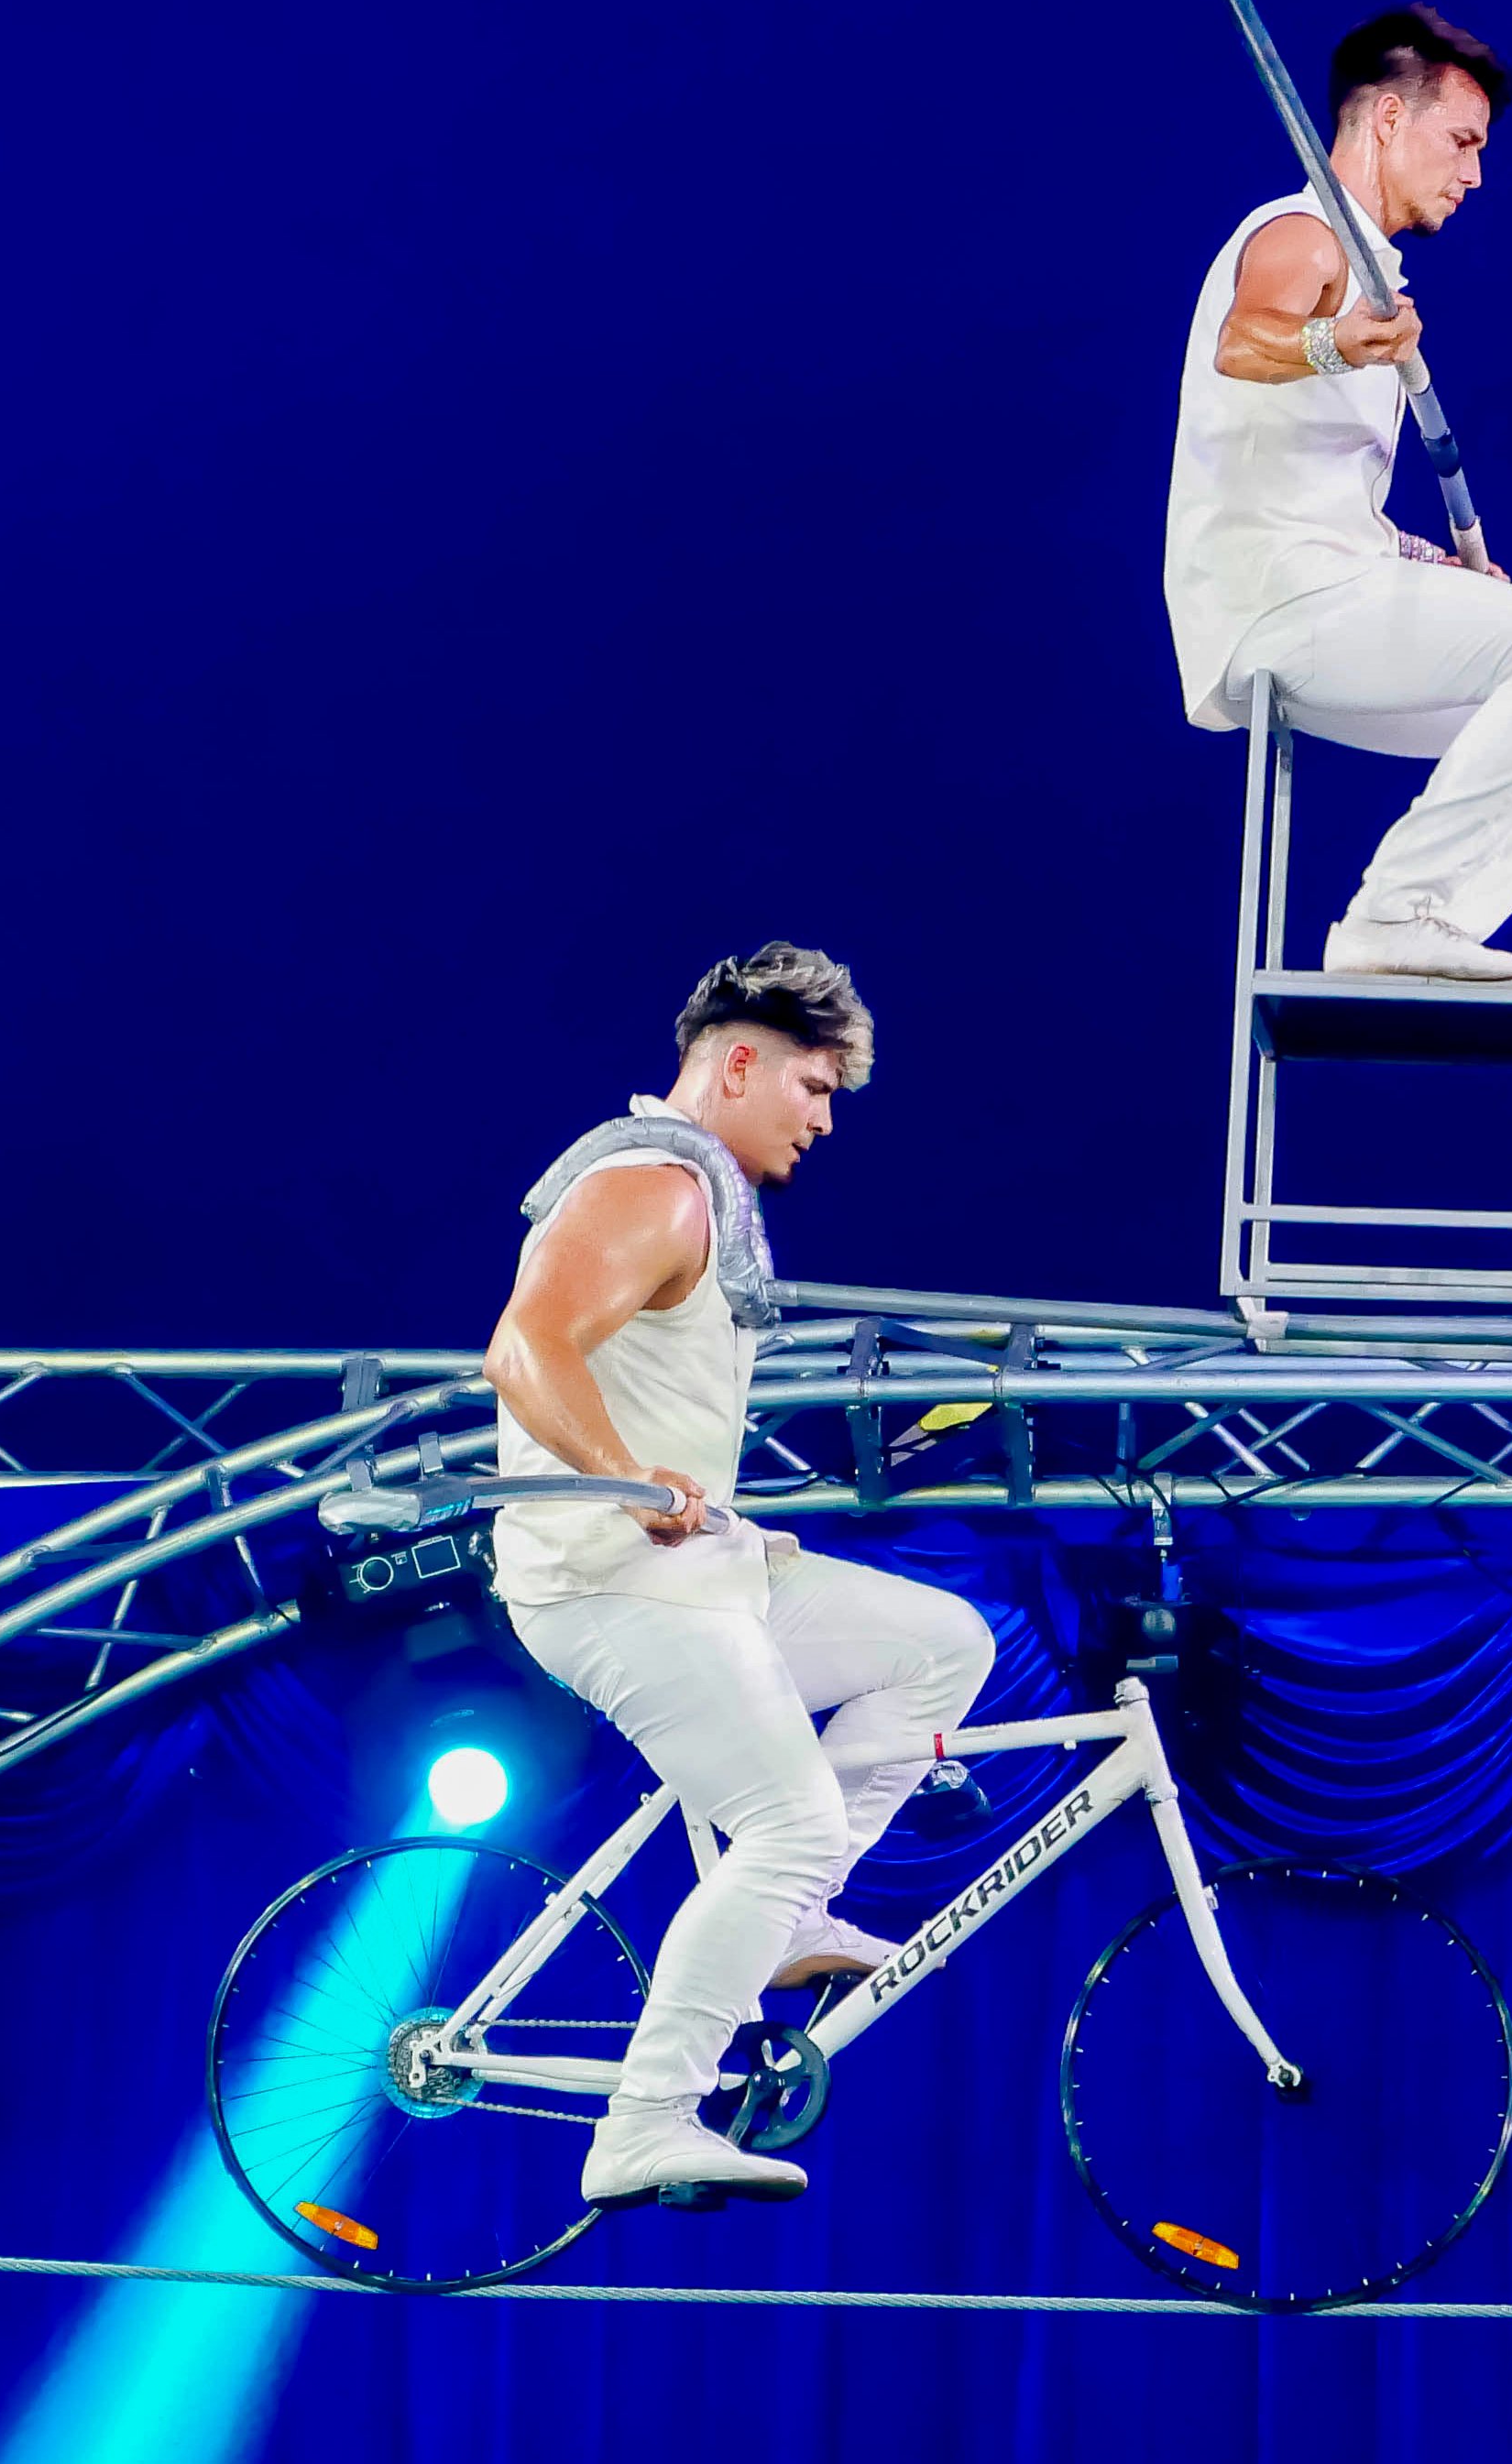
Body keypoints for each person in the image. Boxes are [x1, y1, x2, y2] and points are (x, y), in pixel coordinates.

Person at [481, 943, 997, 2212]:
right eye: (813, 1088)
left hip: (700, 1573)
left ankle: (786, 1920)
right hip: (609, 1583)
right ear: (740, 1060)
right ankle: (645, 2119)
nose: (823, 1119)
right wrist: (627, 1476)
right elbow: (522, 1345)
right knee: (789, 1817)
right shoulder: (651, 1183)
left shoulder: (705, 1196)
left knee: (940, 1645)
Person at [1161, 3, 1512, 980]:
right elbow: (1242, 345)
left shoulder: (1372, 271)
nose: (1475, 173)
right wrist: (1336, 341)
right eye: (1462, 141)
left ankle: (1434, 927)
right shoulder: (1303, 235)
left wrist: (1439, 563)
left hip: (1331, 582)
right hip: (1279, 602)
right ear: (1387, 119)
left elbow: (1343, 505)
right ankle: (1391, 913)